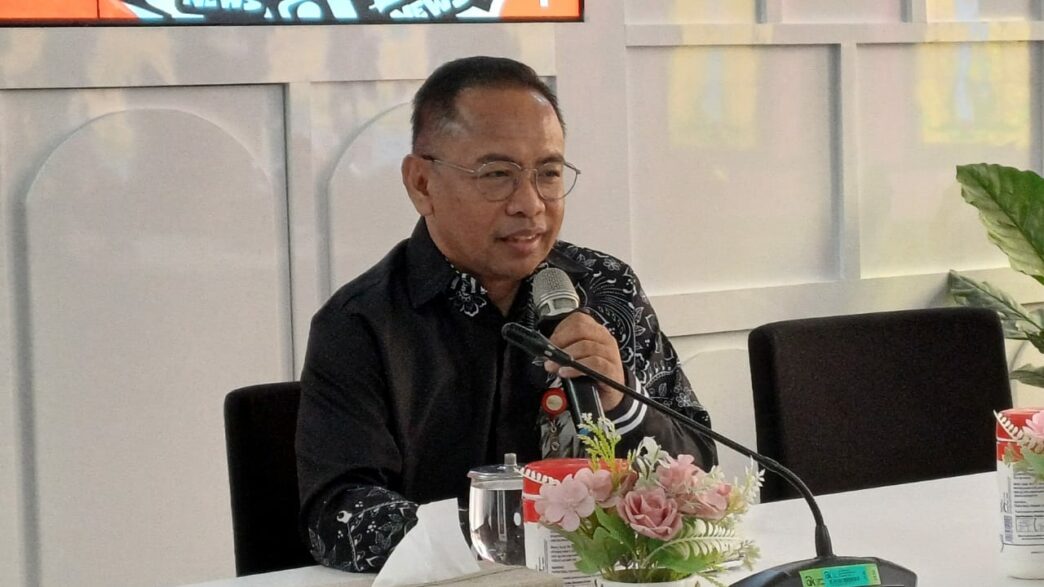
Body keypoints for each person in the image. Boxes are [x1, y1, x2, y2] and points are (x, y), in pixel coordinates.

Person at [295, 56, 716, 572]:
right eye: (497, 175)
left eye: (548, 174)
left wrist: (622, 405)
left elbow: (700, 473)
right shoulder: (359, 324)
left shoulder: (607, 290)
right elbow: (338, 514)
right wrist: (513, 531)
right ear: (421, 183)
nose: (530, 204)